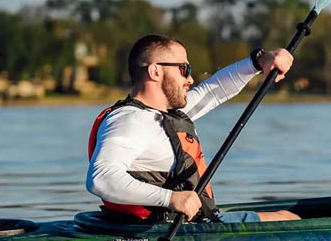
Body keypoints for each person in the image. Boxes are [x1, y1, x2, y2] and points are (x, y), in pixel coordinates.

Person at [87, 34, 300, 224]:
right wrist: (171, 199)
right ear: (155, 71)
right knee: (291, 221)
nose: (190, 78)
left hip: (189, 223)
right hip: (163, 231)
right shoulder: (131, 121)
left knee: (287, 216)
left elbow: (213, 91)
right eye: (184, 69)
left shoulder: (161, 115)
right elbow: (101, 178)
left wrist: (259, 62)